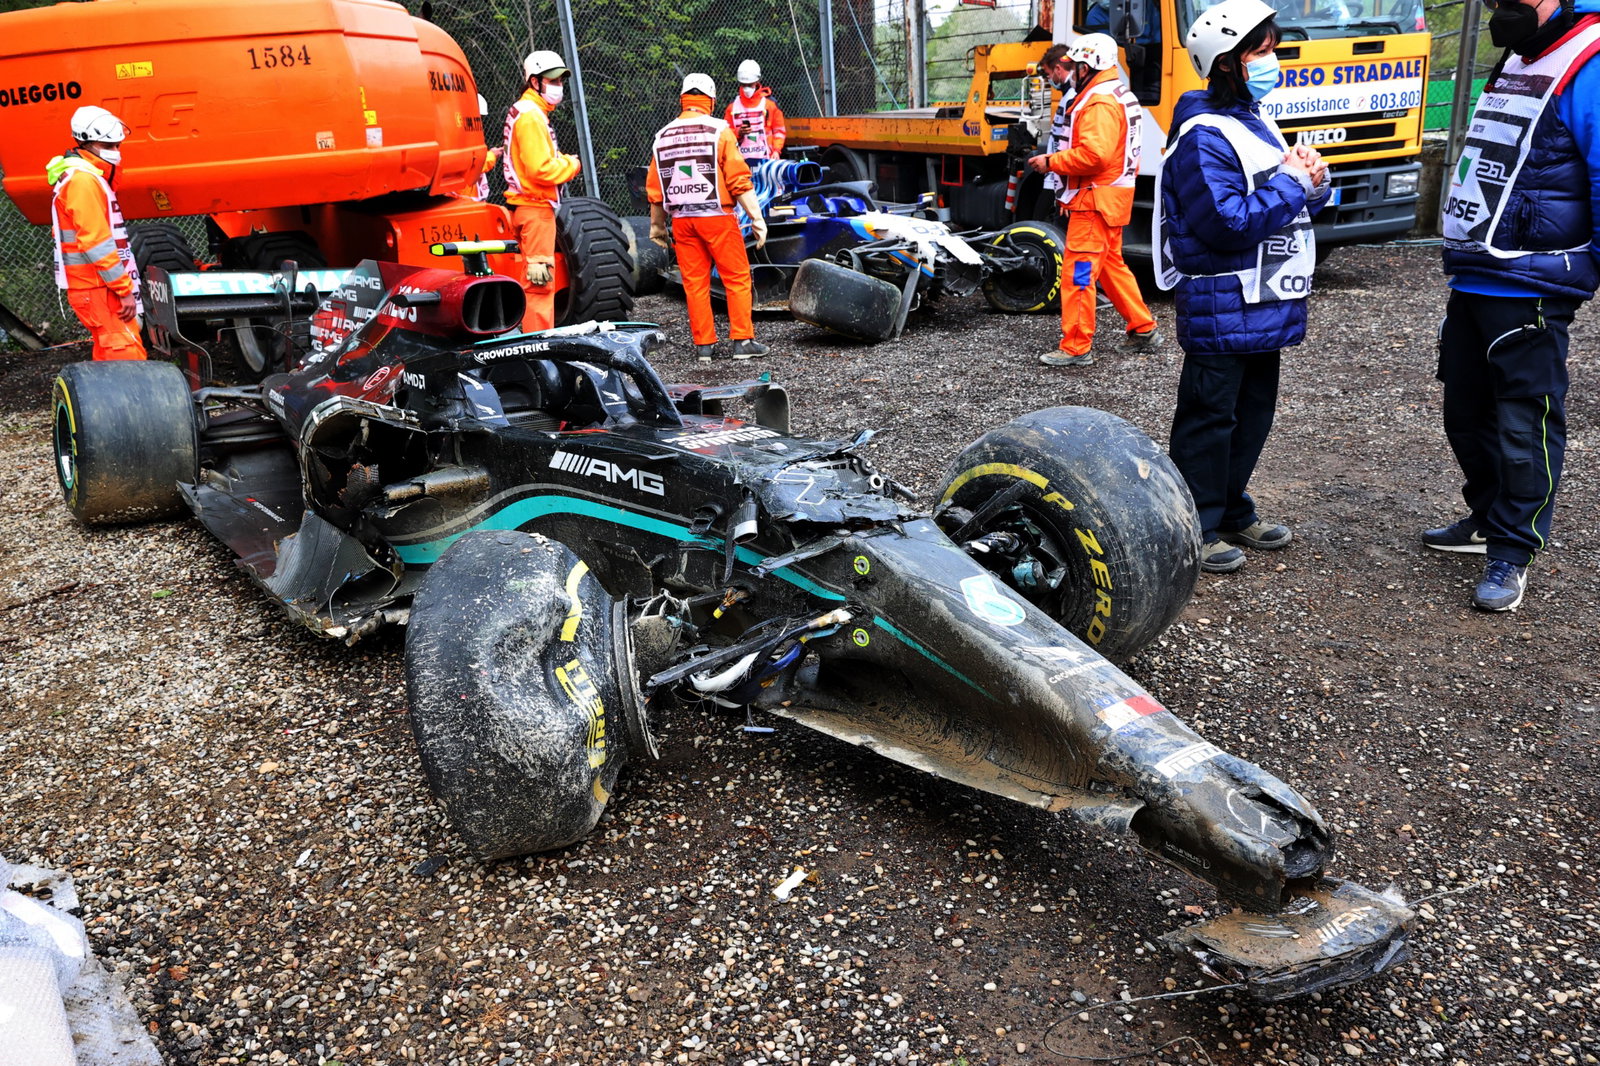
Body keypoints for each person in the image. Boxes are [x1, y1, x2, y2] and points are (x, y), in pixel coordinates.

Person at [1425, 0, 1599, 611]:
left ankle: (1513, 550)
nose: (1506, 6)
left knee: (1526, 422)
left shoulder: (1587, 59)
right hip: (1477, 272)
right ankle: (1487, 516)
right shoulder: (1524, 56)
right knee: (1465, 414)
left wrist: (1588, 265)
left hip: (1531, 282)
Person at [1152, 0, 1330, 573]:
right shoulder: (1204, 134)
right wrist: (1294, 184)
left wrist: (1315, 180)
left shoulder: (1253, 119)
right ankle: (1194, 525)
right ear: (1228, 62)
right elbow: (1227, 222)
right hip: (1224, 299)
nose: (1272, 60)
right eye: (1262, 51)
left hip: (1263, 299)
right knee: (1209, 417)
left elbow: (1282, 193)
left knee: (1251, 415)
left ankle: (1230, 507)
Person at [1026, 33, 1159, 368]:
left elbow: (1094, 156)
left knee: (1079, 273)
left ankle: (1075, 345)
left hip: (1093, 199)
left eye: (1077, 64)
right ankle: (1143, 327)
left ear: (1088, 65)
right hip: (1112, 198)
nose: (1073, 70)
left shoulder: (1097, 101)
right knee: (1111, 267)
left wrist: (1051, 162)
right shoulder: (1117, 93)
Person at [648, 73, 770, 360]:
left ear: (683, 99)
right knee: (737, 278)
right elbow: (738, 180)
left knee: (695, 283)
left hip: (682, 221)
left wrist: (657, 226)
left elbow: (655, 188)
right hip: (717, 217)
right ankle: (742, 342)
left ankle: (704, 347)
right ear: (711, 100)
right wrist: (757, 218)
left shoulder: (662, 136)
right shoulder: (719, 130)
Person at [47, 106, 145, 361]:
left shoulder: (86, 178)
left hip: (97, 286)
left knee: (110, 354)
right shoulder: (84, 181)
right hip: (98, 288)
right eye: (107, 145)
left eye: (117, 145)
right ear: (84, 142)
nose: (115, 152)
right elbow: (96, 243)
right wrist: (123, 290)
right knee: (126, 358)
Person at [504, 50, 581, 333]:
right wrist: (571, 164)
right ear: (534, 81)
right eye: (553, 80)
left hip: (530, 208)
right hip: (535, 209)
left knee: (535, 283)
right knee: (539, 286)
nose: (558, 86)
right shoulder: (532, 116)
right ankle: (540, 351)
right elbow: (541, 169)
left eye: (561, 80)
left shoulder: (528, 112)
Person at [725, 60, 787, 163]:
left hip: (767, 159)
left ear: (757, 81)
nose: (746, 88)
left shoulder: (770, 104)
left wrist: (776, 150)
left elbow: (779, 130)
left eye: (750, 84)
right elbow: (726, 134)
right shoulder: (732, 107)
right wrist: (738, 132)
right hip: (740, 162)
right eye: (744, 85)